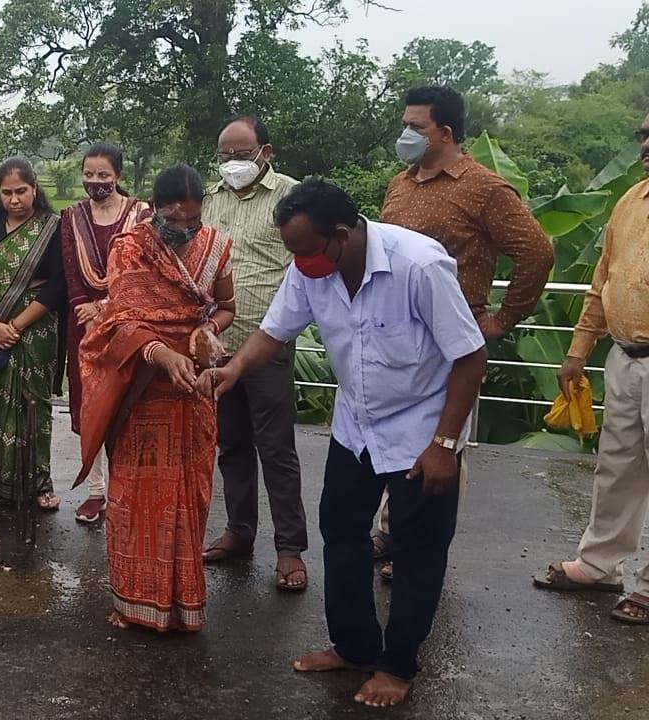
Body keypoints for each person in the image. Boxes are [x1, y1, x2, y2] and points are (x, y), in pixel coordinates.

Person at [199, 179, 486, 707]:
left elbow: (469, 356)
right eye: (293, 253)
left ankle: (398, 666)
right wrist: (232, 371)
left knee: (417, 551)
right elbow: (274, 331)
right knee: (341, 532)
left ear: (341, 234)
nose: (300, 263)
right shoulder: (311, 267)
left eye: (307, 251)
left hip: (422, 432)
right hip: (357, 427)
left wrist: (445, 444)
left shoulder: (418, 265)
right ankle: (354, 647)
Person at [374, 85, 554, 579]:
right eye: (405, 125)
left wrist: (500, 320)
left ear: (445, 132)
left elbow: (537, 252)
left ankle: (421, 549)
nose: (406, 134)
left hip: (451, 341)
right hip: (396, 336)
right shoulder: (400, 184)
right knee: (396, 437)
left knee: (441, 444)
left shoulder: (485, 188)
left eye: (416, 127)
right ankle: (392, 533)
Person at [77, 164, 236, 632]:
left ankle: (183, 605)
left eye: (192, 218)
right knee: (135, 498)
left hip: (194, 390)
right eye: (172, 218)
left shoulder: (216, 246)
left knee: (190, 494)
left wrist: (207, 330)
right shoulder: (130, 247)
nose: (183, 228)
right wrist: (162, 355)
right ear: (154, 208)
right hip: (143, 390)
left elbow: (226, 308)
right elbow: (121, 321)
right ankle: (134, 602)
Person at [532, 112, 649, 625]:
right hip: (625, 355)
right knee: (617, 466)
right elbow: (602, 280)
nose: (646, 144)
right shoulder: (632, 200)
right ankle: (600, 565)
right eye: (643, 135)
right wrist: (579, 350)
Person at [199, 115, 309, 591]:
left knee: (276, 449)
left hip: (268, 345)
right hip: (219, 346)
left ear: (266, 152)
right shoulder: (210, 199)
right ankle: (239, 532)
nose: (233, 163)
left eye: (242, 154)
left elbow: (306, 265)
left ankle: (290, 549)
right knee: (232, 446)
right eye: (224, 156)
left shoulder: (292, 196)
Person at [0, 157, 66, 510]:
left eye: (21, 191)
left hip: (34, 331)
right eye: (6, 192)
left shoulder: (52, 228)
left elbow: (58, 286)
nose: (14, 199)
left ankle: (37, 483)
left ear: (34, 189)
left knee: (32, 405)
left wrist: (16, 325)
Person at [59, 143, 151, 523]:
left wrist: (103, 308)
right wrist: (86, 312)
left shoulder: (141, 215)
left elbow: (142, 271)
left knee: (127, 404)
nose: (94, 181)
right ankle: (96, 490)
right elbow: (70, 271)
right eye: (88, 174)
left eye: (103, 175)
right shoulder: (72, 217)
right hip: (82, 325)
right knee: (90, 404)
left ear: (119, 176)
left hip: (128, 320)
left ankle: (125, 487)